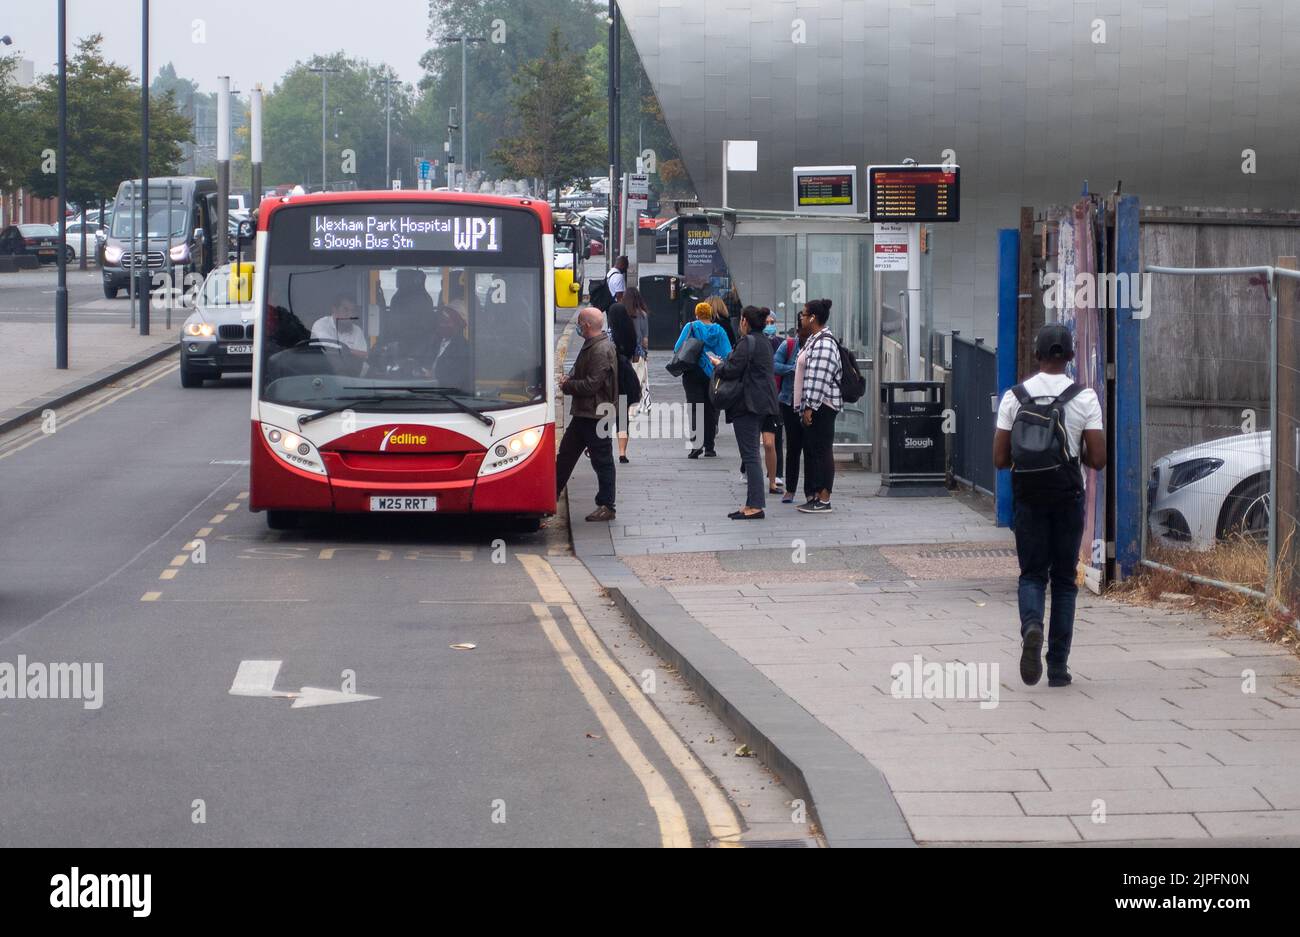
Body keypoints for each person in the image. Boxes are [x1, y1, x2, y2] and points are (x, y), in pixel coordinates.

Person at [993, 323, 1106, 688]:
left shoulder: (1015, 397)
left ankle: (1031, 626)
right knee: (1064, 581)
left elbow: (999, 458)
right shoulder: (1084, 397)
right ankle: (1057, 666)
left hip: (1028, 497)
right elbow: (1099, 459)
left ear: (1037, 355)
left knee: (1031, 575)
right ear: (1070, 356)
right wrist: (1075, 448)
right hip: (1067, 497)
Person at [707, 305, 780, 519]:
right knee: (751, 455)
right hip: (763, 402)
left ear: (745, 322)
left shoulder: (747, 342)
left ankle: (755, 506)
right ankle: (750, 503)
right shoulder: (764, 342)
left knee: (750, 456)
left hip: (748, 405)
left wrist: (718, 364)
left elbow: (731, 369)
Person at [556, 307, 618, 522]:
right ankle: (549, 497)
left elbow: (592, 385)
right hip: (585, 413)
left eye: (580, 323)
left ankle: (607, 505)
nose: (578, 327)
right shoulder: (592, 345)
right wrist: (569, 380)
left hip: (596, 414)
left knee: (602, 461)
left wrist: (568, 386)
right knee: (565, 456)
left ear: (587, 325)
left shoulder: (601, 349)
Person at [793, 298, 841, 514]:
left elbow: (818, 378)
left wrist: (810, 407)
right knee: (814, 450)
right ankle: (815, 496)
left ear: (813, 317)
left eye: (803, 314)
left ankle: (824, 498)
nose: (801, 317)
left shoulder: (824, 343)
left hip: (823, 406)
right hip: (814, 405)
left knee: (822, 450)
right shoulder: (815, 339)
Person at [674, 300, 732, 458]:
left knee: (695, 409)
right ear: (711, 314)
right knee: (711, 409)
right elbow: (727, 352)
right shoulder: (719, 330)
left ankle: (696, 445)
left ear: (697, 314)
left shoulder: (691, 327)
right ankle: (710, 447)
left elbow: (677, 347)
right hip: (713, 373)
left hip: (692, 372)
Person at [774, 313, 805, 503]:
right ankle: (791, 489)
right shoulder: (789, 345)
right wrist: (792, 369)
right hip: (789, 401)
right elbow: (774, 365)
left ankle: (813, 491)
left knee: (811, 448)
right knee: (793, 447)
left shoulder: (819, 345)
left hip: (811, 403)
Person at [605, 291, 638, 462]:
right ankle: (622, 452)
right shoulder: (631, 332)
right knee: (622, 416)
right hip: (626, 376)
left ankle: (600, 447)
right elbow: (635, 353)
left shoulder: (609, 334)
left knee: (605, 413)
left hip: (610, 378)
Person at [311, 293, 368, 359]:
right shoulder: (321, 325)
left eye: (352, 311)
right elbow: (328, 348)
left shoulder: (357, 331)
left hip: (350, 369)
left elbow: (362, 358)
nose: (350, 315)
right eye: (345, 310)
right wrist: (352, 352)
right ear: (334, 309)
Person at [429, 305, 471, 390]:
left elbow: (456, 380)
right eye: (441, 322)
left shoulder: (464, 349)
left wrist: (433, 375)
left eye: (447, 322)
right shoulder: (434, 342)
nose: (442, 325)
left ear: (458, 325)